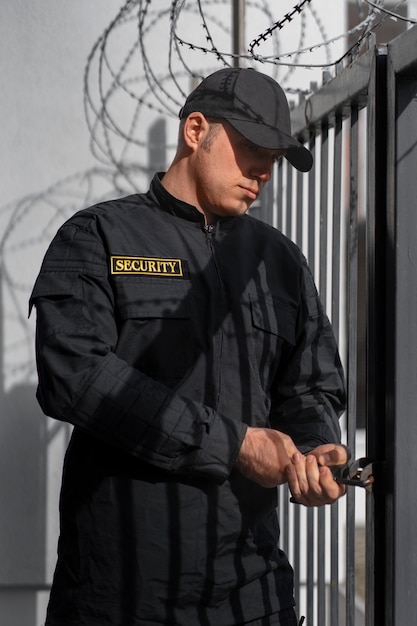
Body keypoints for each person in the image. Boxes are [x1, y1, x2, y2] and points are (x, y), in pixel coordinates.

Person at [30, 67, 347, 626]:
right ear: (195, 131)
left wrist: (315, 446)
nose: (264, 171)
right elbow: (75, 376)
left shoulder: (279, 261)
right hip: (123, 593)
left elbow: (309, 383)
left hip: (252, 595)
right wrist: (234, 444)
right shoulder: (100, 237)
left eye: (274, 158)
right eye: (252, 148)